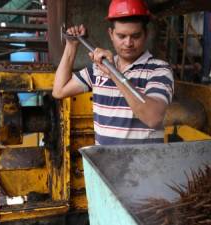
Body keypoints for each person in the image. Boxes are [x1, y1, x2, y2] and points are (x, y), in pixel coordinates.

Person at [52, 0, 173, 145]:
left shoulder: (159, 69)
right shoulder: (99, 68)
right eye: (121, 36)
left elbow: (153, 118)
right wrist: (71, 46)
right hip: (104, 164)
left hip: (143, 166)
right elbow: (59, 90)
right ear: (111, 34)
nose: (128, 43)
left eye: (135, 36)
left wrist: (113, 74)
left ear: (146, 34)